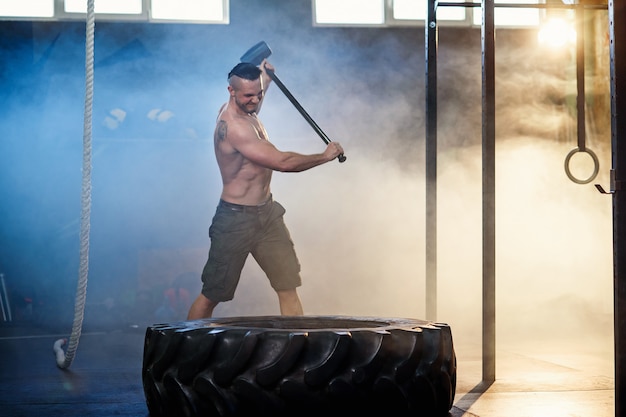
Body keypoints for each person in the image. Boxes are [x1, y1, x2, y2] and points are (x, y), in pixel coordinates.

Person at [187, 60, 344, 320]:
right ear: (231, 91)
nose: (255, 100)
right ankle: (184, 354)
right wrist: (324, 156)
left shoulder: (248, 108)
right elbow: (282, 162)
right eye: (248, 95)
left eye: (259, 93)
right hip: (235, 219)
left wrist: (266, 78)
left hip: (267, 215)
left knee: (287, 286)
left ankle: (297, 352)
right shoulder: (235, 127)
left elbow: (253, 94)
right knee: (213, 294)